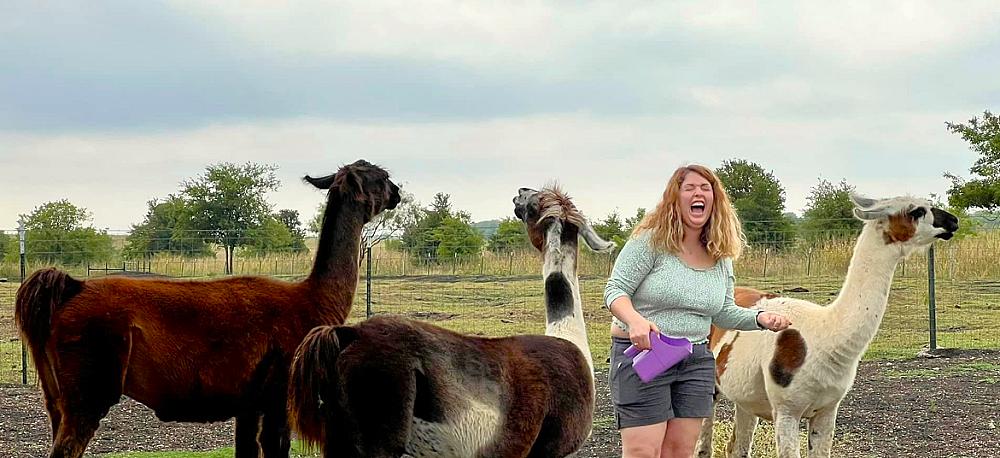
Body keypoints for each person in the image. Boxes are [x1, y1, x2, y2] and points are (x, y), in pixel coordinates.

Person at [605, 164, 791, 458]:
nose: (698, 193)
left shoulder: (720, 254)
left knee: (680, 452)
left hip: (694, 361)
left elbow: (723, 312)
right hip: (645, 354)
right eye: (689, 188)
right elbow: (615, 290)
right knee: (643, 451)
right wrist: (635, 320)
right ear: (674, 198)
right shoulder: (651, 240)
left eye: (706, 189)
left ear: (715, 200)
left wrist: (759, 318)